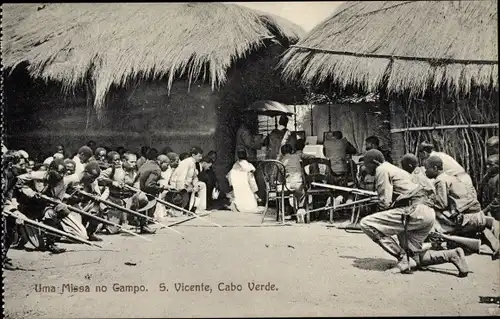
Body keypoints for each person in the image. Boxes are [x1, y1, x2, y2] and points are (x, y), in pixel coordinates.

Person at [359, 150, 469, 277]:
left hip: (413, 211)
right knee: (415, 259)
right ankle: (452, 255)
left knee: (367, 223)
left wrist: (382, 222)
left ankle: (402, 258)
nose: (366, 169)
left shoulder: (381, 169)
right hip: (425, 213)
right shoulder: (393, 169)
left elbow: (385, 203)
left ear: (374, 162)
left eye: (367, 165)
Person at [425, 156, 499, 260]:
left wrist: (428, 202)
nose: (425, 171)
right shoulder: (450, 176)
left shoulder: (440, 180)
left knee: (431, 213)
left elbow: (442, 204)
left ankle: (440, 239)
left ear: (435, 168)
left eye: (427, 168)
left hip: (465, 218)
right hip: (475, 214)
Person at [16, 159, 77, 253]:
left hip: (43, 207)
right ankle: (21, 236)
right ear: (51, 170)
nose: (61, 175)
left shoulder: (62, 182)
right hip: (27, 208)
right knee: (37, 245)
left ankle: (50, 243)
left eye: (63, 173)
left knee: (51, 214)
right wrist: (30, 192)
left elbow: (58, 199)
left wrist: (52, 200)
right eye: (59, 172)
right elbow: (17, 180)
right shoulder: (36, 175)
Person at [98, 152, 138, 234]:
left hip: (127, 200)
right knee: (112, 230)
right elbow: (99, 178)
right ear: (124, 161)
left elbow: (136, 184)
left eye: (135, 162)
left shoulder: (133, 172)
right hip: (114, 200)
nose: (134, 164)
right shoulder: (113, 170)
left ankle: (131, 222)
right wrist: (112, 182)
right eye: (132, 162)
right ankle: (104, 222)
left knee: (141, 198)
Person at [2, 151, 28, 269]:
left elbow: (9, 195)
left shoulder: (13, 178)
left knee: (11, 226)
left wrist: (13, 209)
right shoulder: (3, 175)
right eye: (21, 165)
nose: (23, 168)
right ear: (11, 164)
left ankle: (3, 255)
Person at [136, 151, 169, 234]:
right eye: (167, 165)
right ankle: (144, 225)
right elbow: (149, 185)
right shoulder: (157, 169)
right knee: (152, 200)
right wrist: (161, 188)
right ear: (161, 162)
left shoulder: (147, 164)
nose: (168, 167)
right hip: (141, 193)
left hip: (136, 189)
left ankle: (143, 225)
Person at [170, 147, 206, 212]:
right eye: (199, 156)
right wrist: (186, 189)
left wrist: (195, 185)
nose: (201, 158)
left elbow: (194, 176)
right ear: (193, 155)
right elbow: (180, 178)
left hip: (188, 184)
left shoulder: (193, 163)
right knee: (193, 189)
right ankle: (188, 208)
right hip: (179, 185)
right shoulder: (187, 162)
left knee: (202, 185)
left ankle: (201, 208)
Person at [227, 149, 259, 213]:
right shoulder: (249, 166)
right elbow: (252, 181)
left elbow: (229, 177)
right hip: (246, 189)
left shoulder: (235, 165)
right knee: (251, 204)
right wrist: (255, 192)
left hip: (237, 190)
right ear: (246, 155)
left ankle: (235, 204)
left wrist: (233, 186)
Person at [280, 144, 306, 215]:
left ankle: (287, 209)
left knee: (283, 193)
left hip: (287, 185)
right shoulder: (297, 156)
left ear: (282, 153)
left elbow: (280, 175)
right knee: (302, 194)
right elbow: (310, 157)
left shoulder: (281, 161)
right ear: (292, 151)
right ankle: (300, 209)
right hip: (298, 184)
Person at [482, 154, 499, 221]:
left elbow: (498, 199)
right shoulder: (486, 177)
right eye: (487, 164)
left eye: (491, 164)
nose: (487, 166)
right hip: (489, 211)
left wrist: (485, 210)